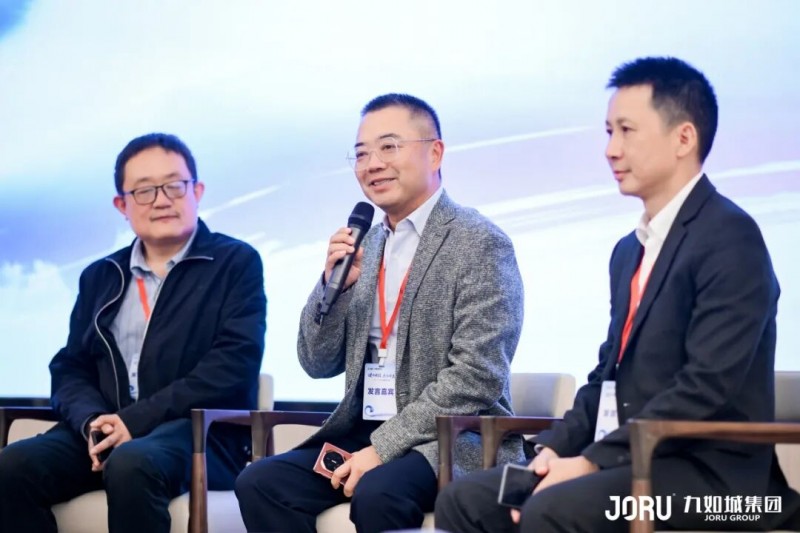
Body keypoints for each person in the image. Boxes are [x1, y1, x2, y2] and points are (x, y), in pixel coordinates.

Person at [435, 56, 800, 532]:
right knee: (465, 500)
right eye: (609, 132)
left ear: (683, 138)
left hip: (716, 484)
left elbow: (706, 386)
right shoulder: (629, 250)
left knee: (551, 509)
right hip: (631, 461)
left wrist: (591, 461)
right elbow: (607, 376)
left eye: (627, 131)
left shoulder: (731, 236)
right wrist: (554, 451)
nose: (611, 149)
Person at [235, 93, 525, 532]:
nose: (372, 164)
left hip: (450, 438)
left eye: (389, 147)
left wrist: (382, 448)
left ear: (435, 152)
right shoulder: (365, 245)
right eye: (361, 153)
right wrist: (332, 288)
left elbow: (477, 375)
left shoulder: (478, 241)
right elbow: (316, 363)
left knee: (379, 491)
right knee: (261, 482)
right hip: (364, 430)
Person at [0, 133, 267, 533]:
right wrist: (94, 422)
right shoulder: (101, 275)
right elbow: (71, 367)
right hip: (108, 433)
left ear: (197, 191)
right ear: (122, 205)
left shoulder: (235, 262)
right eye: (144, 190)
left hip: (200, 437)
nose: (161, 200)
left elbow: (233, 365)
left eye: (174, 185)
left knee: (132, 461)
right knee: (12, 467)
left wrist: (134, 421)